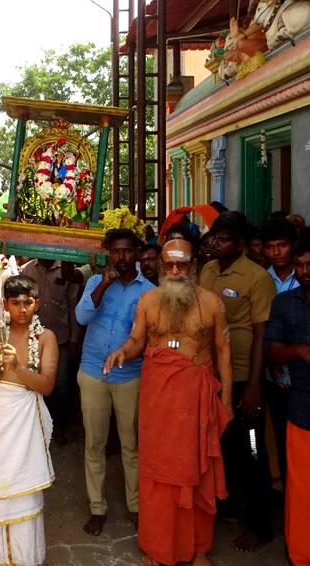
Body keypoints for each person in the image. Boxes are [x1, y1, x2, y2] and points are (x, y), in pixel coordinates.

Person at [105, 239, 232, 566]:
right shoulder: (148, 301)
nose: (176, 271)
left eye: (182, 265)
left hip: (194, 401)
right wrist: (122, 350)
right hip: (158, 402)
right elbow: (136, 340)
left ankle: (199, 547)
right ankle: (156, 546)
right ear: (161, 265)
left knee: (197, 473)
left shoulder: (212, 303)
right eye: (169, 265)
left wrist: (227, 401)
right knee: (157, 475)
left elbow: (223, 352)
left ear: (193, 266)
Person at [199, 211, 276, 551]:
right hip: (214, 379)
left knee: (253, 452)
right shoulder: (208, 270)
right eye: (214, 237)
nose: (215, 242)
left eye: (224, 238)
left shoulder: (257, 278)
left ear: (241, 244)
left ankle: (260, 527)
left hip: (246, 381)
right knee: (224, 448)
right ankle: (228, 507)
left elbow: (262, 335)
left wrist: (255, 387)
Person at [0, 275, 58, 566]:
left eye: (28, 302)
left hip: (25, 422)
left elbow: (47, 385)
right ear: (5, 305)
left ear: (38, 304)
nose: (22, 309)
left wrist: (19, 367)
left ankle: (26, 559)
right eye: (16, 303)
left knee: (23, 493)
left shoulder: (45, 337)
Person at [75, 228, 155, 536]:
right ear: (109, 253)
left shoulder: (148, 290)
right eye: (116, 251)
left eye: (128, 251)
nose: (122, 257)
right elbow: (82, 317)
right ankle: (97, 508)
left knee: (130, 445)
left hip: (130, 376)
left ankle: (135, 506)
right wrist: (104, 283)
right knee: (94, 443)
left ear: (136, 252)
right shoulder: (96, 282)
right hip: (93, 372)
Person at [265, 238, 310, 566]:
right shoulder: (286, 303)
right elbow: (271, 350)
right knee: (300, 487)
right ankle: (300, 554)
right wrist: (299, 351)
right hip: (301, 405)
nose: (305, 271)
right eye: (300, 265)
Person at [21, 257, 81, 443]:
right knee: (34, 384)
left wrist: (74, 338)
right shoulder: (27, 271)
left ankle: (58, 427)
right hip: (33, 340)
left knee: (61, 387)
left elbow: (72, 306)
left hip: (61, 339)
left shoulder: (67, 269)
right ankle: (38, 427)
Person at [261, 217, 300, 486]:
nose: (276, 252)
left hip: (301, 375)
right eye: (271, 246)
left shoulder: (304, 278)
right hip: (270, 376)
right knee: (272, 435)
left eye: (282, 246)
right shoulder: (262, 279)